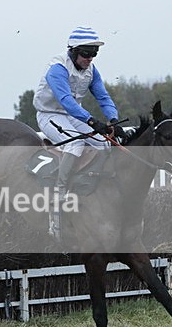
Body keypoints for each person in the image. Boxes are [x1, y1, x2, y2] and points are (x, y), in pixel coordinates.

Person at [33, 26, 122, 238]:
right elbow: (66, 101)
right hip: (49, 114)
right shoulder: (57, 68)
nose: (90, 58)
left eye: (94, 53)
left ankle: (95, 184)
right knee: (75, 144)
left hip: (73, 115)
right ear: (73, 51)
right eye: (86, 53)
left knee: (104, 142)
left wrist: (113, 119)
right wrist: (91, 120)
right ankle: (60, 191)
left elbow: (103, 97)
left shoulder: (92, 70)